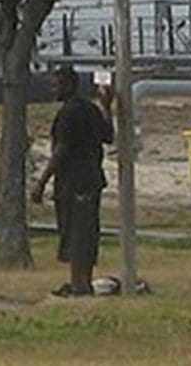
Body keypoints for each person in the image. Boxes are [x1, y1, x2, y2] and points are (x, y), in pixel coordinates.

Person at [31, 66, 114, 298]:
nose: (52, 89)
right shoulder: (91, 109)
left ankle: (80, 286)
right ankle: (81, 282)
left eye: (56, 84)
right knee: (86, 232)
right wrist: (107, 107)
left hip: (74, 182)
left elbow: (61, 150)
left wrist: (41, 182)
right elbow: (108, 135)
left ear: (69, 85)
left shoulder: (69, 113)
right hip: (93, 180)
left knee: (76, 232)